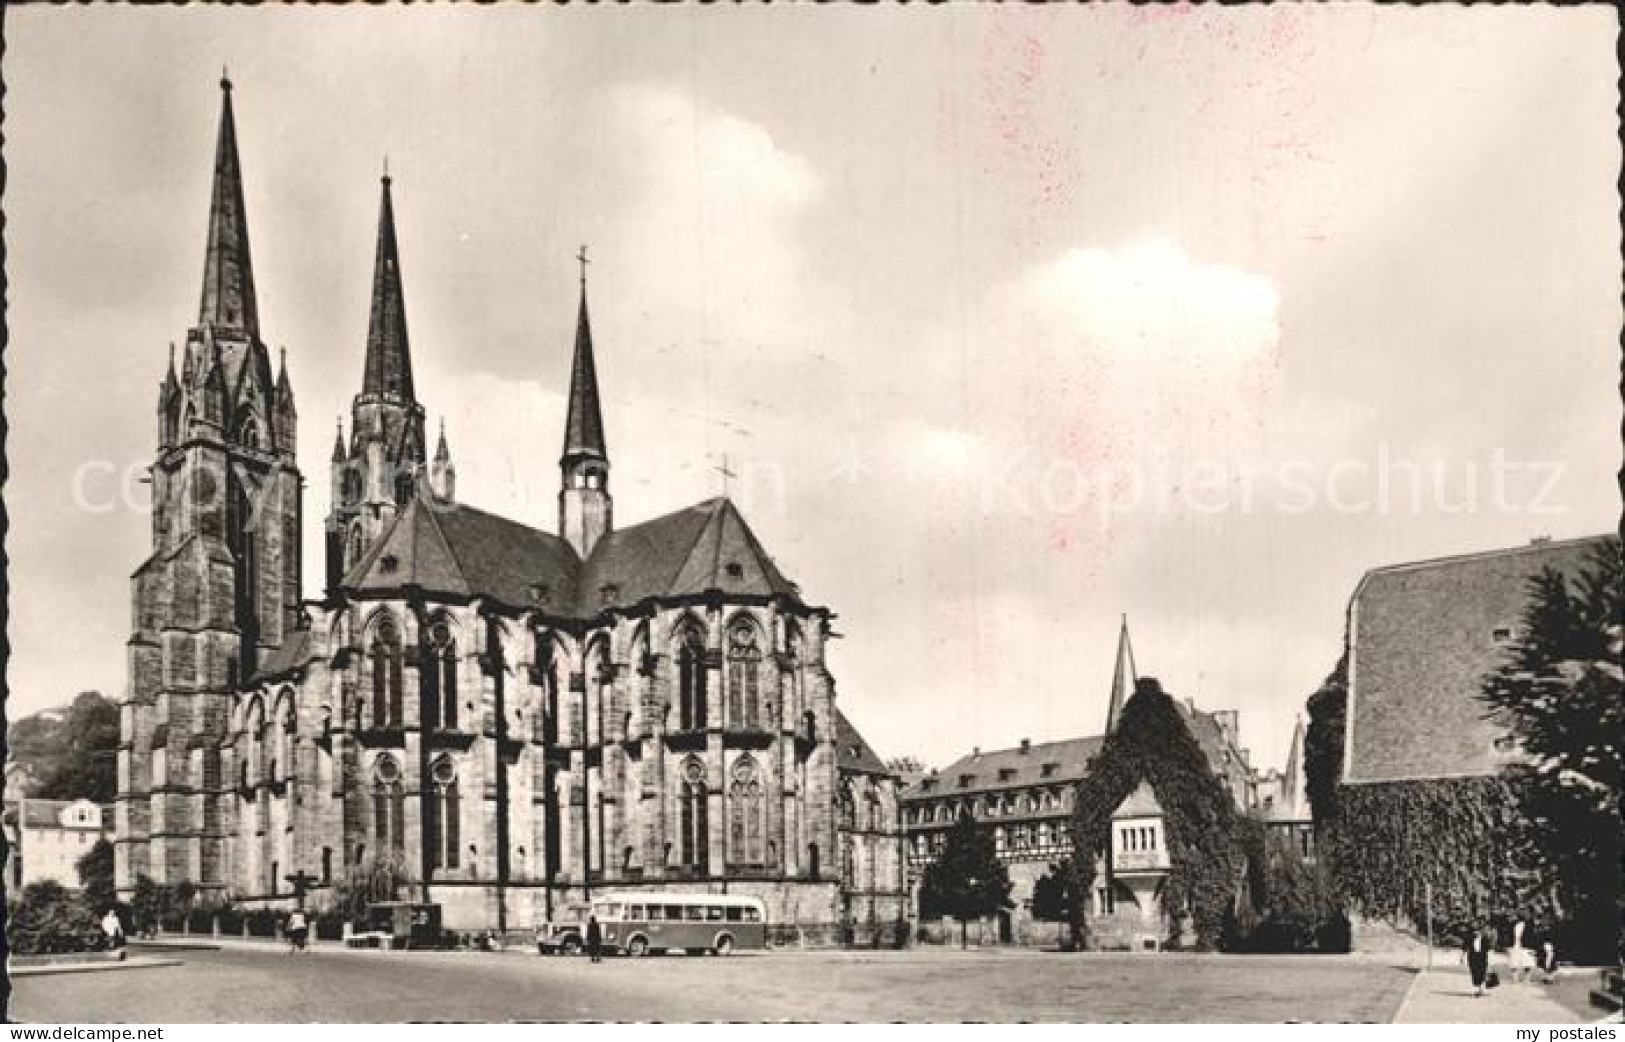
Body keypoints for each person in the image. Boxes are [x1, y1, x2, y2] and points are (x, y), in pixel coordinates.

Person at [1465, 926, 1491, 997]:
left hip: (1482, 957)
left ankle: (1480, 989)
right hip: (1472, 957)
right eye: (1475, 931)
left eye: (1478, 931)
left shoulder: (1485, 939)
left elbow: (1488, 949)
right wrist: (1462, 957)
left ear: (1481, 932)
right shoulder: (1470, 938)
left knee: (1482, 972)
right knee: (1474, 972)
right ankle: (1477, 990)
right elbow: (1465, 947)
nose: (1476, 933)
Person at [1509, 918, 1531, 983]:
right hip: (1515, 944)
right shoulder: (1513, 923)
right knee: (1513, 962)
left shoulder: (1530, 924)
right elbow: (1510, 934)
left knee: (1527, 962)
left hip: (1526, 945)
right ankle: (1514, 978)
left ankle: (1527, 978)